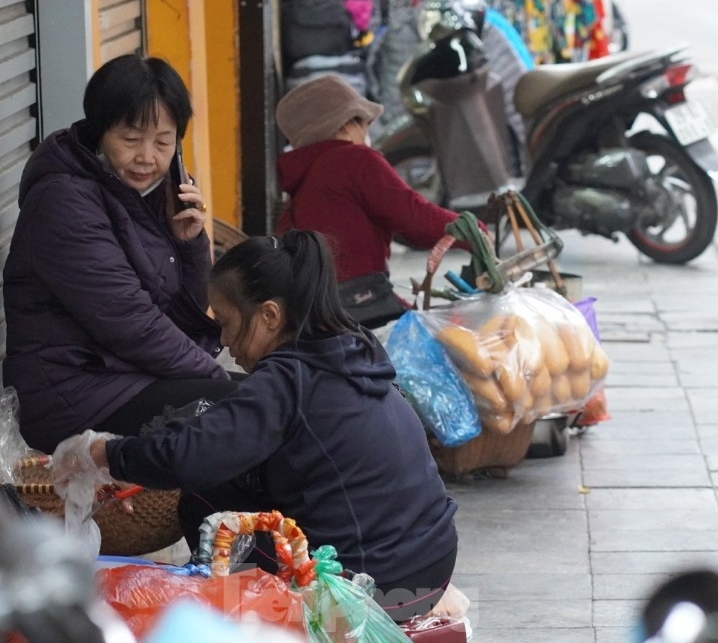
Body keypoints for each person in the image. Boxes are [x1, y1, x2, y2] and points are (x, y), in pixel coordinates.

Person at [54, 230, 460, 621]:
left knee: (203, 501)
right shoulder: (352, 354)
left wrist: (101, 453)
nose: (225, 341)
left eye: (228, 323)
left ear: (269, 315)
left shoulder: (286, 381)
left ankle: (249, 624)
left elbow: (188, 458)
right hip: (431, 570)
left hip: (373, 587)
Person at [1, 54, 233, 455]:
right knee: (245, 411)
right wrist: (218, 380)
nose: (147, 157)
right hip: (73, 395)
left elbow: (188, 311)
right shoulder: (65, 201)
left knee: (268, 402)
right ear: (99, 132)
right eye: (131, 139)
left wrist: (188, 242)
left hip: (127, 376)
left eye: (163, 142)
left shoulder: (148, 194)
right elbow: (130, 323)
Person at [274, 75, 461, 328]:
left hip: (313, 315)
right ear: (345, 126)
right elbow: (415, 218)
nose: (366, 132)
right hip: (360, 307)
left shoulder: (302, 181)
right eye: (363, 123)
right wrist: (470, 230)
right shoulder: (354, 159)